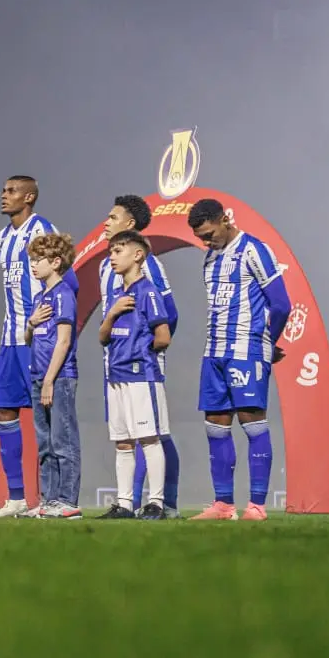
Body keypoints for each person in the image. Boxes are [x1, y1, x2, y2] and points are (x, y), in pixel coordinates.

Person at [188, 198, 291, 522]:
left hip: (246, 351)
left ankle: (257, 506)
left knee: (251, 421)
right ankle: (223, 505)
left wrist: (267, 341)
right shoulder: (210, 258)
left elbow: (281, 304)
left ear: (224, 220)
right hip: (214, 353)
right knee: (215, 426)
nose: (206, 242)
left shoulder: (254, 250)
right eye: (201, 238)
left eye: (209, 234)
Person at [0, 176, 76, 517]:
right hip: (11, 337)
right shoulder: (1, 237)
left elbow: (68, 280)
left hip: (37, 340)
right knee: (4, 411)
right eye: (3, 190)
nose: (4, 195)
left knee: (51, 423)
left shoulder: (42, 229)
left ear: (28, 197)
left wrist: (50, 323)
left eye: (11, 191)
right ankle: (16, 497)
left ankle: (59, 498)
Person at [101, 195, 181, 516]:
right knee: (124, 438)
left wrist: (144, 347)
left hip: (142, 366)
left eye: (112, 217)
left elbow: (167, 316)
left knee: (152, 434)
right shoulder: (109, 271)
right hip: (115, 367)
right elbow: (106, 328)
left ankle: (162, 502)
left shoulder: (150, 269)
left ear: (129, 224)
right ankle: (126, 503)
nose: (106, 222)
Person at [26, 233, 82, 519]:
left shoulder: (63, 294)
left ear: (56, 262)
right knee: (45, 444)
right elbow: (29, 338)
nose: (33, 265)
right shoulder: (40, 297)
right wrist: (31, 322)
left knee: (63, 440)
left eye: (39, 260)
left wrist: (49, 380)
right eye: (32, 259)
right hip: (38, 375)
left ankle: (68, 501)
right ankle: (49, 500)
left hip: (59, 378)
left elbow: (64, 340)